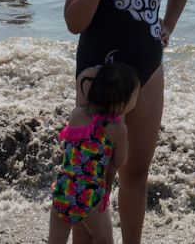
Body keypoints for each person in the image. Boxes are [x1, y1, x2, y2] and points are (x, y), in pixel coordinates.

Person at [64, 0, 188, 243]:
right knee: (95, 176)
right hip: (103, 76)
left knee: (136, 172)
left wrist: (167, 27)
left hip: (149, 72)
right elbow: (74, 22)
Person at [47, 63, 140, 244]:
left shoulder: (76, 114)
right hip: (89, 195)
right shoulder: (117, 129)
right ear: (122, 103)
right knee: (105, 241)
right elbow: (120, 162)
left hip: (63, 188)